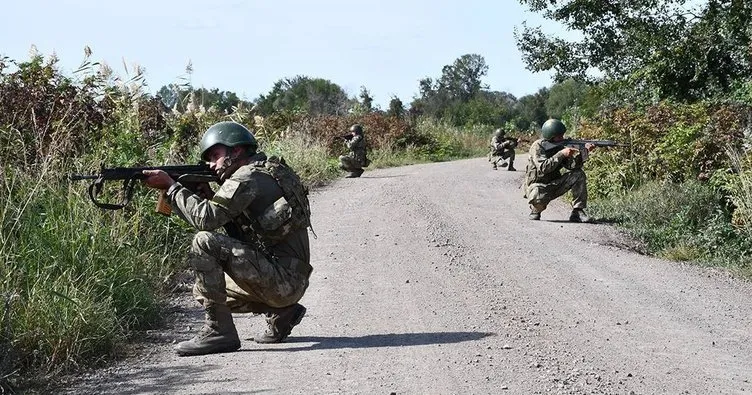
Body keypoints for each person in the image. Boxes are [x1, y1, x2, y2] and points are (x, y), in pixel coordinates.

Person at [142, 121, 313, 356]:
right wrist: (210, 196)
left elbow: (207, 220)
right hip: (288, 279)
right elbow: (248, 232)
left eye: (215, 155)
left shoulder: (246, 177)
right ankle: (284, 312)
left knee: (203, 241)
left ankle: (219, 332)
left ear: (236, 151)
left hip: (283, 281)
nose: (211, 165)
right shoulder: (266, 170)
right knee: (202, 290)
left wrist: (171, 188)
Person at [524, 118, 595, 222]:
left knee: (578, 174)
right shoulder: (538, 146)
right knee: (538, 194)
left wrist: (584, 153)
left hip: (554, 184)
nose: (562, 138)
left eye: (562, 135)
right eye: (559, 136)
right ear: (550, 136)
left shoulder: (561, 146)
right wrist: (562, 154)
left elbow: (572, 166)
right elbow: (544, 167)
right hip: (537, 185)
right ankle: (536, 210)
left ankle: (577, 211)